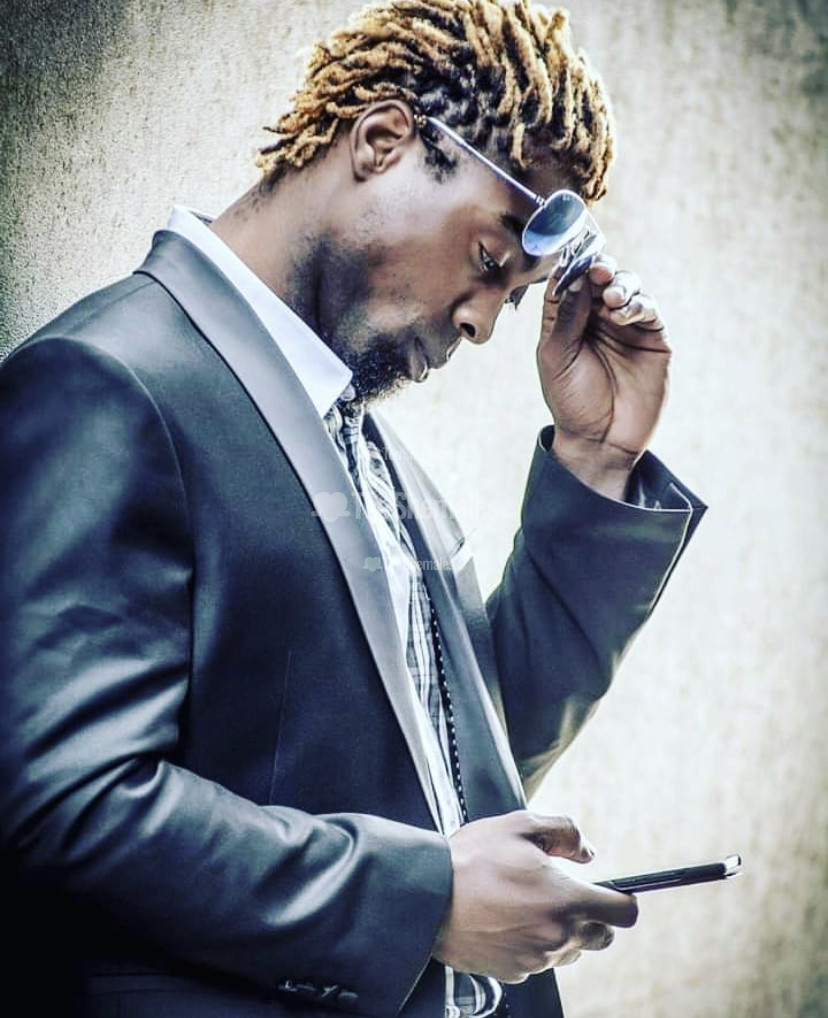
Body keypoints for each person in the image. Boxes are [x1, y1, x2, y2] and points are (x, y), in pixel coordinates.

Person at [0, 2, 705, 1016]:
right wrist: (424, 900)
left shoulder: (380, 462)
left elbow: (461, 764)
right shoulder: (107, 382)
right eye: (491, 262)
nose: (482, 323)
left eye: (513, 298)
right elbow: (62, 806)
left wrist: (597, 463)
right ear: (382, 141)